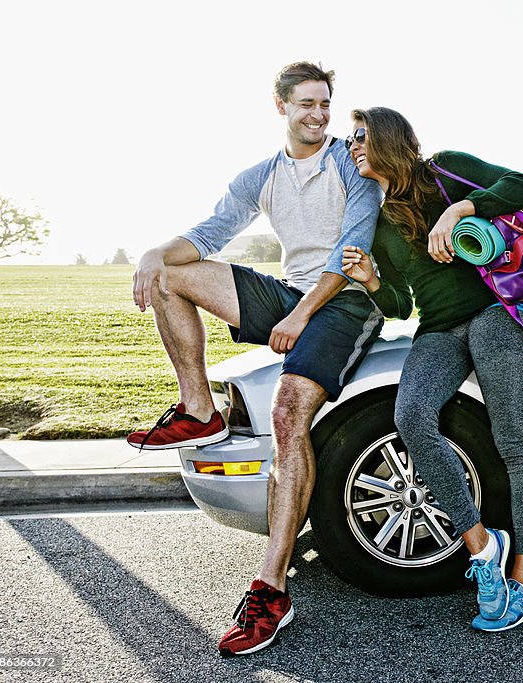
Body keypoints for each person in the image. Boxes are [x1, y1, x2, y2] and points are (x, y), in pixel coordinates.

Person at [128, 62, 384, 656]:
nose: (318, 115)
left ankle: (270, 589)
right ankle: (199, 409)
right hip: (293, 293)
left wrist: (298, 318)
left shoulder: (352, 163)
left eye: (325, 104)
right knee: (171, 273)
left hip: (345, 303)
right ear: (281, 107)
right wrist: (150, 251)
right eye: (306, 105)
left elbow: (354, 251)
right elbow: (210, 233)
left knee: (288, 412)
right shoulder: (261, 176)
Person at [341, 107, 523, 631]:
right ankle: (483, 548)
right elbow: (400, 306)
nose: (352, 144)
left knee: (513, 442)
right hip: (437, 329)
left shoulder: (445, 169)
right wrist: (369, 279)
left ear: (387, 137)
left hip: (494, 311)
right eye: (350, 138)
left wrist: (456, 212)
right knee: (411, 417)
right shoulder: (384, 220)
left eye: (360, 135)